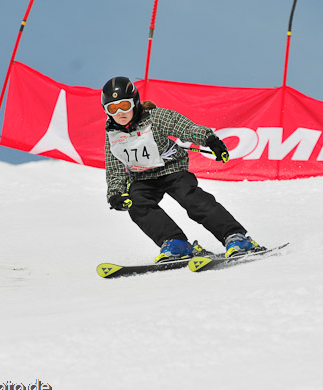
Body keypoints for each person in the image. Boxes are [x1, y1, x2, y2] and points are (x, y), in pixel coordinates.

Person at [102, 76, 262, 263]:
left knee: (192, 199)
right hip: (142, 178)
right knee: (137, 204)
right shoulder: (113, 136)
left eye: (125, 105)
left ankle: (236, 237)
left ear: (135, 102)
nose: (120, 112)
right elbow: (115, 168)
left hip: (172, 170)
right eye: (113, 108)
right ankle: (176, 242)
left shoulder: (155, 118)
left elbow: (183, 127)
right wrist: (115, 194)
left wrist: (209, 140)